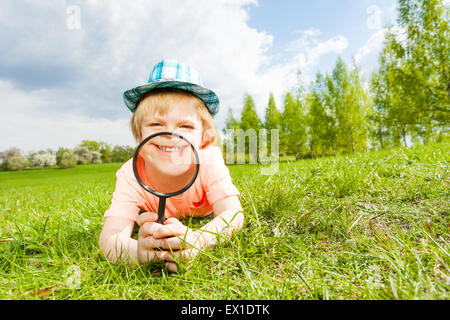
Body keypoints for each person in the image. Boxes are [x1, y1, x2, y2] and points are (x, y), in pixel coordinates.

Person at [98, 60, 244, 272]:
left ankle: (146, 217)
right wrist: (137, 251)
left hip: (203, 214)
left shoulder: (209, 159)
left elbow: (233, 214)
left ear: (203, 137)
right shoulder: (130, 173)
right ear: (139, 134)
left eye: (185, 126)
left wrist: (198, 240)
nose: (169, 135)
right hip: (156, 215)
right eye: (156, 124)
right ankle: (146, 216)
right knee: (145, 219)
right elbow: (110, 238)